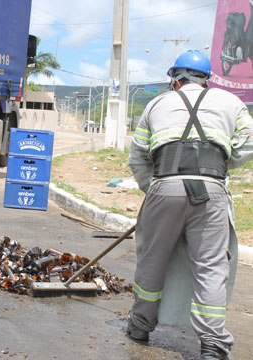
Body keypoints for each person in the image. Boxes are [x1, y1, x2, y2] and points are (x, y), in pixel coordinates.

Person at [127, 50, 253, 359]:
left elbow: (138, 156)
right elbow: (248, 143)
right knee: (211, 267)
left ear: (176, 79)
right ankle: (212, 343)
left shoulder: (157, 104)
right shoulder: (231, 103)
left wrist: (155, 189)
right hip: (211, 191)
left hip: (164, 188)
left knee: (152, 259)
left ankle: (140, 326)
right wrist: (219, 163)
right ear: (206, 80)